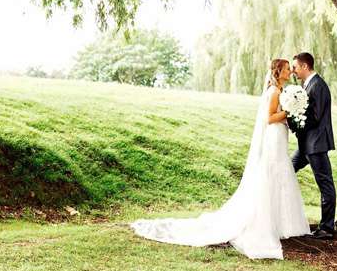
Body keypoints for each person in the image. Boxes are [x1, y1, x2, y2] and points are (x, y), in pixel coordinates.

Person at [130, 59, 311, 259]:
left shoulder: (281, 91)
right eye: (287, 69)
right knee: (274, 173)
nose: (290, 71)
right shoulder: (275, 92)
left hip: (279, 136)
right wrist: (289, 111)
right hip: (274, 137)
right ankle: (270, 223)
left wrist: (290, 112)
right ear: (279, 72)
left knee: (281, 174)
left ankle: (283, 223)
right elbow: (269, 118)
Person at [290, 52, 336, 240]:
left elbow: (315, 117)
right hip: (306, 144)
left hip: (316, 144)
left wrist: (293, 120)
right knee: (285, 169)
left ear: (305, 67)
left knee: (325, 183)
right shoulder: (308, 85)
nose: (293, 71)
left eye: (295, 67)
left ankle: (326, 228)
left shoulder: (318, 86)